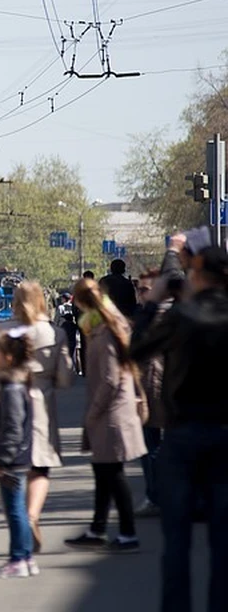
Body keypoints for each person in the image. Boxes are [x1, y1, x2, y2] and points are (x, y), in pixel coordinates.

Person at [130, 243, 228, 612]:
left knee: (177, 542)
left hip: (183, 435)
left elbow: (136, 351)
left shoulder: (181, 316)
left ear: (198, 275)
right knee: (223, 542)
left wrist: (153, 304)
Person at [0, 281, 72, 554]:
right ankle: (32, 515)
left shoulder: (2, 331)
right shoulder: (54, 333)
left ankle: (20, 521)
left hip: (7, 398)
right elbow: (66, 377)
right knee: (40, 465)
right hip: (41, 404)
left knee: (10, 464)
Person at [64, 278, 146, 553]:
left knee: (114, 474)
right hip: (108, 413)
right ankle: (98, 528)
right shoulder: (101, 327)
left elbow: (111, 379)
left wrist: (94, 412)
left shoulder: (107, 331)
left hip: (112, 414)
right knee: (104, 472)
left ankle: (127, 533)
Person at [0, 327, 36, 578]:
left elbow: (13, 429)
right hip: (18, 457)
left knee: (15, 510)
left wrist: (1, 460)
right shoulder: (15, 385)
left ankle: (19, 558)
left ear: (8, 357)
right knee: (17, 510)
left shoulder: (13, 389)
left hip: (13, 460)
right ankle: (26, 557)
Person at [132, 269, 167, 518]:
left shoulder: (158, 316)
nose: (140, 294)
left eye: (145, 289)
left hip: (155, 388)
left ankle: (156, 496)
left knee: (150, 445)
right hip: (153, 386)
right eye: (139, 289)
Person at [55, 293, 78, 371]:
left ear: (64, 299)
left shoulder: (61, 307)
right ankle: (74, 369)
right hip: (74, 333)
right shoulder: (73, 307)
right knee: (74, 353)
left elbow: (56, 319)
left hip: (62, 331)